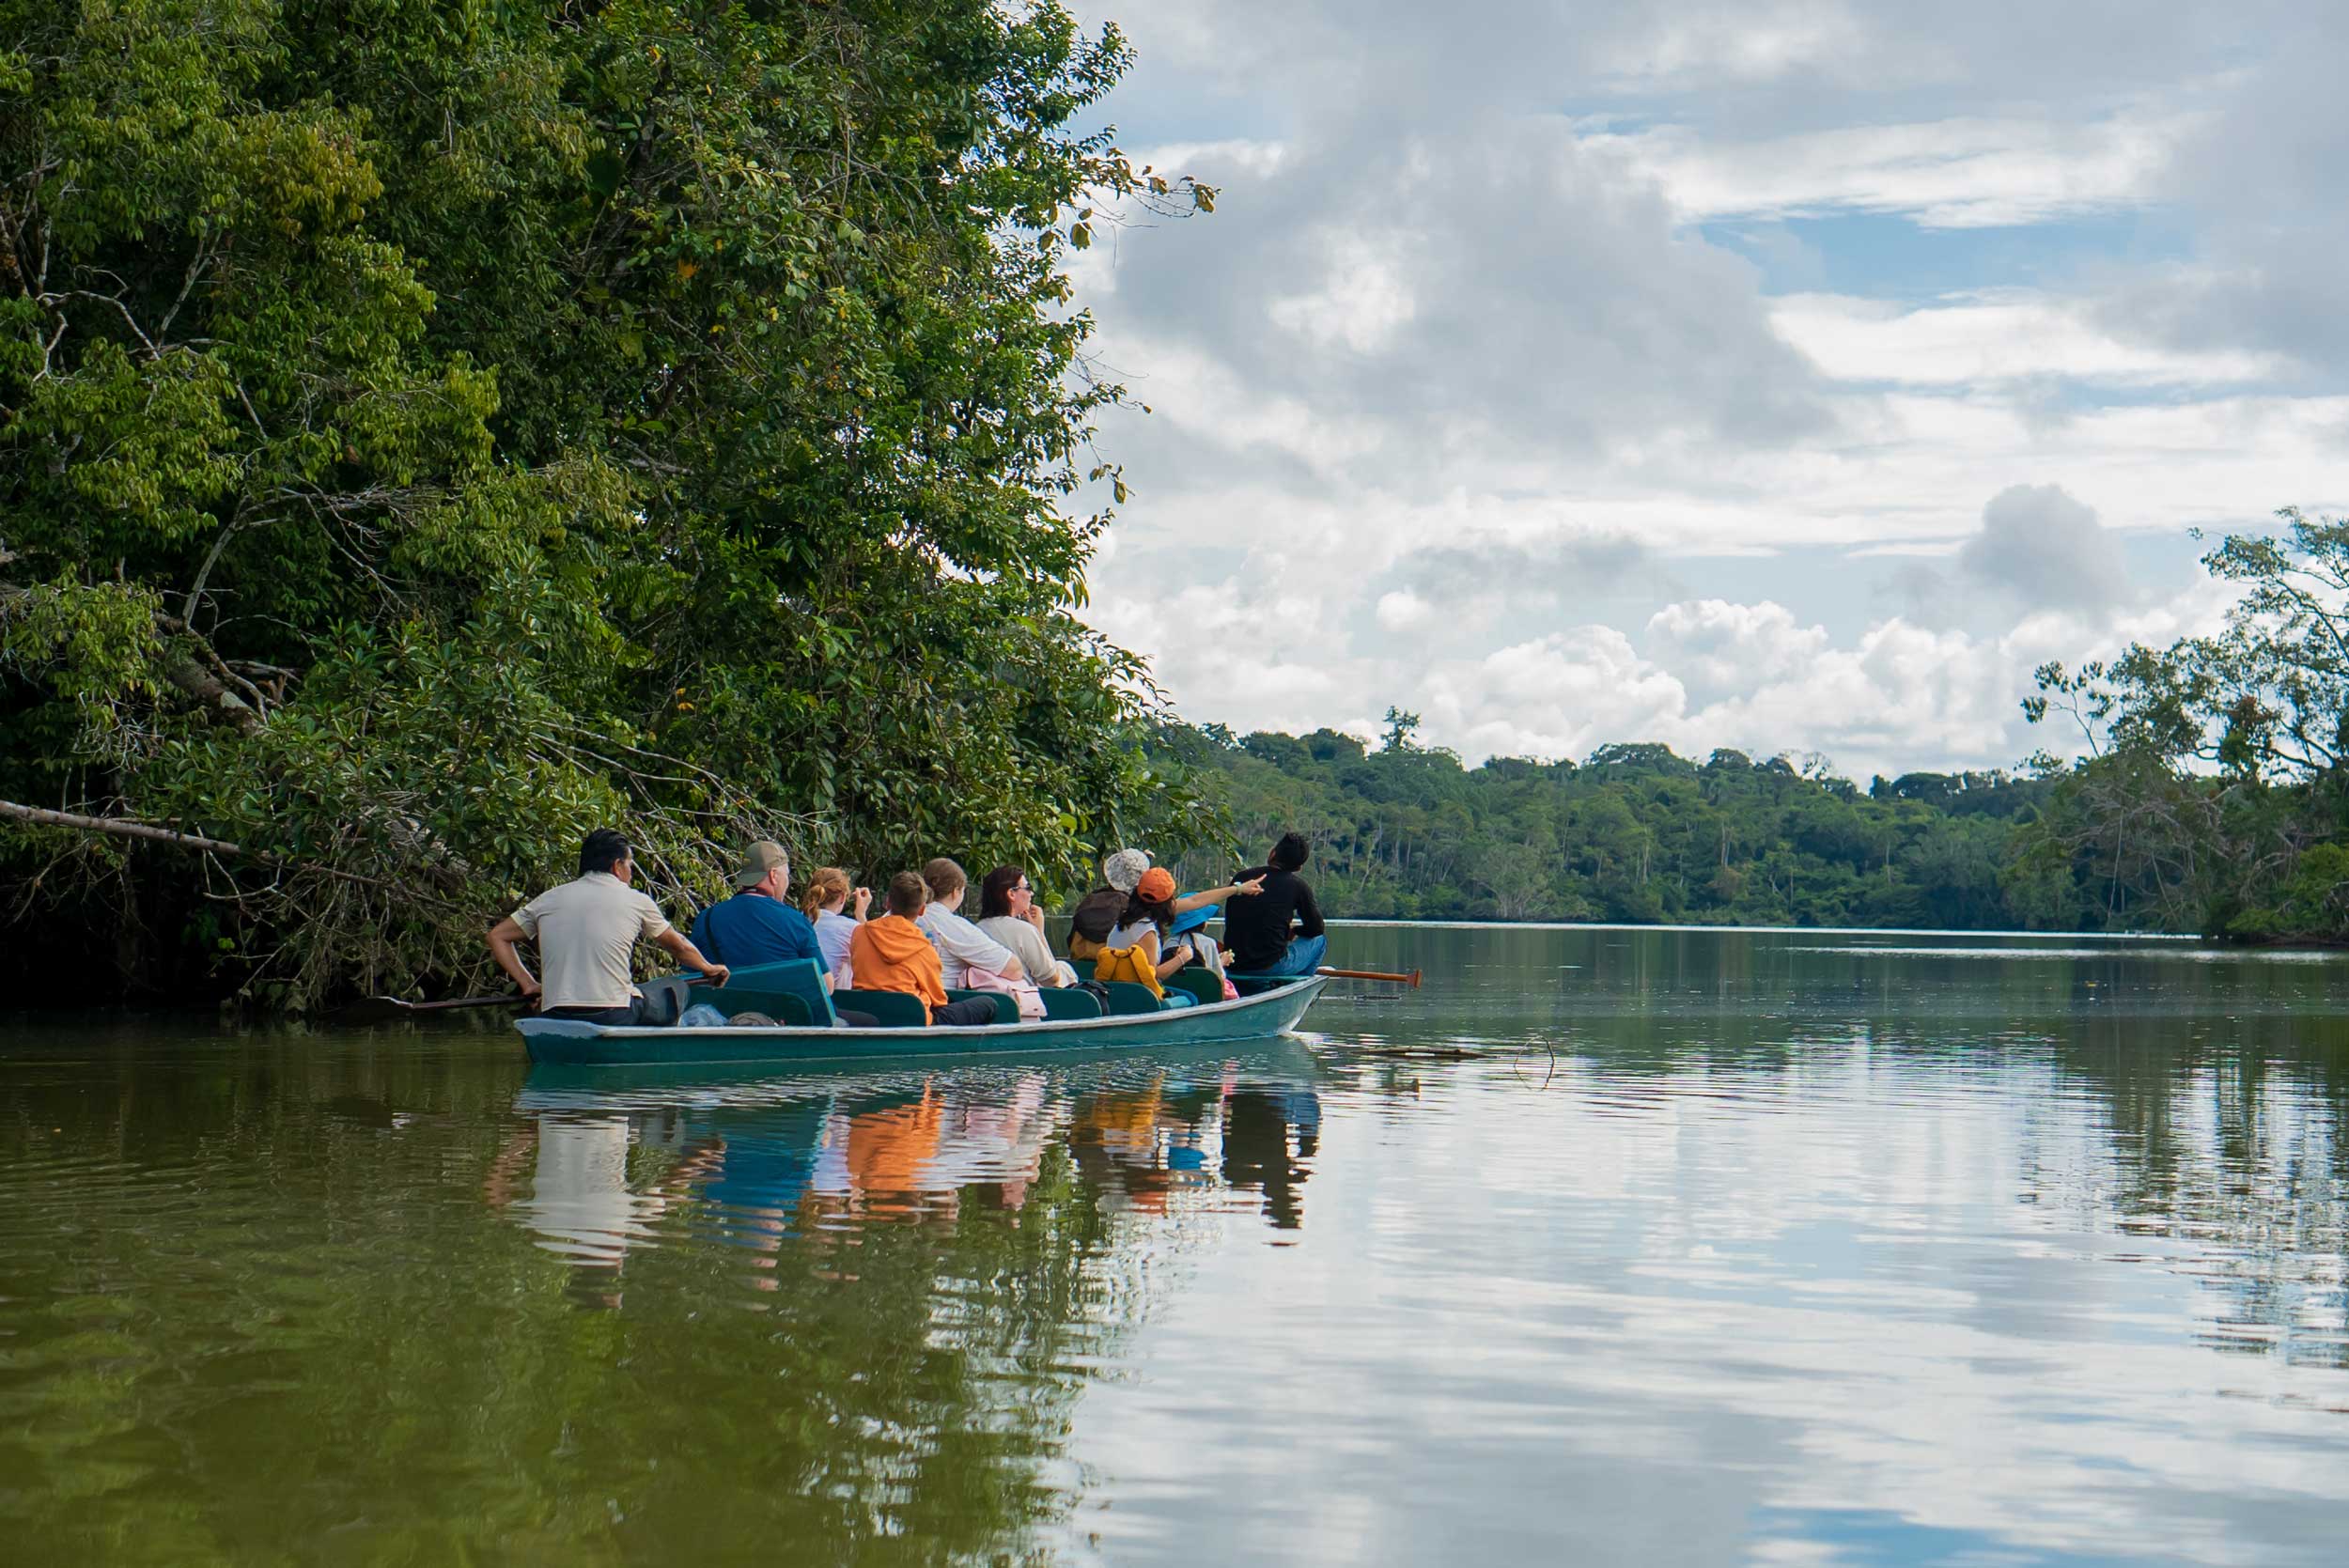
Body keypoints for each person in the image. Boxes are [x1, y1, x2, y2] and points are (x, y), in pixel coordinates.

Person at [488, 828, 730, 1023]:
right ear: (617, 866)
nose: (631, 874)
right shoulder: (636, 900)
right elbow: (679, 947)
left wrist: (528, 984)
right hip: (613, 1013)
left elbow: (497, 936)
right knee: (677, 987)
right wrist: (708, 968)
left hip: (555, 1012)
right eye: (630, 865)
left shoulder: (548, 899)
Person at [848, 873, 1002, 1026]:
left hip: (869, 1011)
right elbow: (939, 999)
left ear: (887, 902)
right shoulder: (924, 947)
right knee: (988, 1004)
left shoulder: (860, 932)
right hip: (914, 1019)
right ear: (922, 910)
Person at [691, 842, 831, 986]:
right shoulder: (796, 921)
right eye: (787, 875)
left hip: (721, 999)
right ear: (773, 875)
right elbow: (826, 984)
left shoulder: (705, 918)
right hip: (777, 1000)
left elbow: (689, 978)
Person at [1221, 831, 1327, 976]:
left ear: (1272, 854)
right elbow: (1317, 929)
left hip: (1232, 962)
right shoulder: (1298, 886)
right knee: (1319, 941)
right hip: (1271, 966)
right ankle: (1299, 982)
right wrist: (1294, 931)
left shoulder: (1242, 877)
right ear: (1299, 868)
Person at [914, 858, 1023, 988]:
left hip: (896, 995)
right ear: (956, 892)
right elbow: (1013, 968)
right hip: (938, 997)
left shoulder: (901, 916)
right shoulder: (952, 925)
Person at [975, 865, 1079, 987]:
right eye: (1028, 888)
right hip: (1021, 997)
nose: (1032, 893)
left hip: (986, 994)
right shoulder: (1023, 930)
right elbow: (1051, 979)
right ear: (1011, 894)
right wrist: (1039, 932)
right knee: (1064, 968)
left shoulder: (977, 929)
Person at [801, 866, 869, 988]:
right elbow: (872, 956)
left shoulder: (796, 920)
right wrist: (861, 915)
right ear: (842, 897)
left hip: (797, 992)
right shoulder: (850, 928)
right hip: (831, 995)